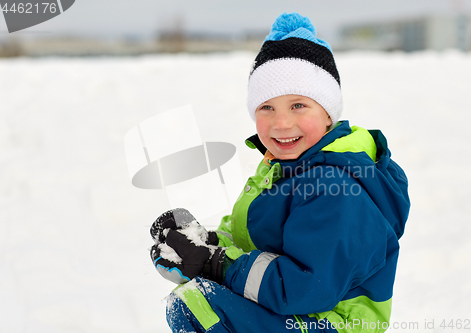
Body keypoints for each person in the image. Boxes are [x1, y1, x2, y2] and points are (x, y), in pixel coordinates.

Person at [149, 12, 410, 333]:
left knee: (197, 304)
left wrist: (214, 262)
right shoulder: (282, 164)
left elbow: (304, 287)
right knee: (195, 299)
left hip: (332, 319)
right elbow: (255, 241)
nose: (282, 123)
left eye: (298, 105)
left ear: (328, 114)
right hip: (299, 307)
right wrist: (203, 242)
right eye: (267, 107)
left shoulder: (334, 186)